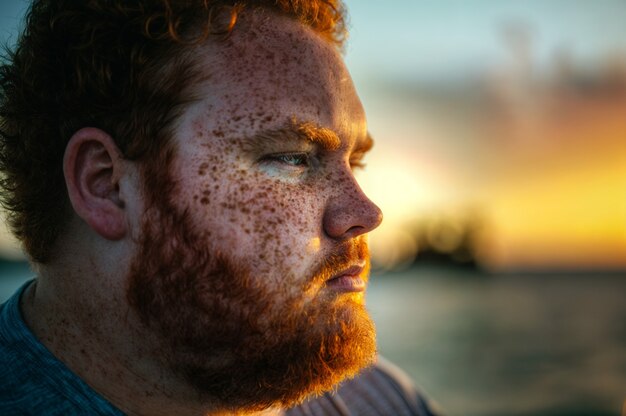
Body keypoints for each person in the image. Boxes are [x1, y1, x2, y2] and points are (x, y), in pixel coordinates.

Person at [0, 1, 441, 415]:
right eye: (294, 157)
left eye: (354, 162)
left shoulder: (379, 400)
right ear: (106, 186)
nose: (365, 212)